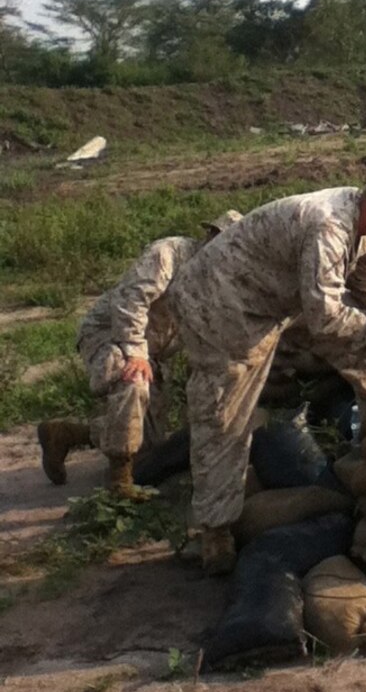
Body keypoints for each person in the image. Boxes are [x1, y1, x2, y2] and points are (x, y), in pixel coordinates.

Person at [169, 162, 366, 574]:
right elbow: (327, 320)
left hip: (282, 299)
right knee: (225, 414)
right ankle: (214, 532)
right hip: (221, 305)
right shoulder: (328, 226)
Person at [37, 210, 243, 495]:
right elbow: (130, 298)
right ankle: (119, 483)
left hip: (152, 351)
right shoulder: (169, 253)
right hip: (111, 334)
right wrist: (135, 352)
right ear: (210, 237)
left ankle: (66, 434)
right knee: (132, 381)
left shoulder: (217, 284)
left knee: (148, 444)